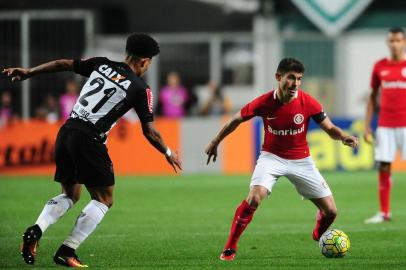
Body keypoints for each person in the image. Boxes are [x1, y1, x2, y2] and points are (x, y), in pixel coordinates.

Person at [3, 33, 182, 268]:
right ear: (144, 61)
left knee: (71, 195)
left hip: (66, 132)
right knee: (104, 199)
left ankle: (36, 230)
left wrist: (29, 72)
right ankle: (67, 251)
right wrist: (169, 153)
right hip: (89, 139)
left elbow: (63, 64)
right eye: (149, 63)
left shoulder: (101, 64)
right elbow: (149, 131)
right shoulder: (140, 88)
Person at [205, 58, 359, 261]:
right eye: (291, 78)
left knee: (331, 211)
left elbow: (329, 128)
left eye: (299, 79)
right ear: (279, 77)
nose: (295, 83)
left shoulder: (308, 102)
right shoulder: (264, 103)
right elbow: (235, 120)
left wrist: (343, 137)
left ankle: (317, 233)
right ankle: (230, 247)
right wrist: (215, 142)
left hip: (301, 160)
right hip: (271, 158)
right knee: (254, 198)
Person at [364, 27, 406, 224]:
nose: (395, 44)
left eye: (398, 40)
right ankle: (384, 212)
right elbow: (372, 98)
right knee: (384, 166)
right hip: (385, 125)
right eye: (392, 40)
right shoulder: (379, 67)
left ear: (404, 42)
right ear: (388, 43)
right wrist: (367, 127)